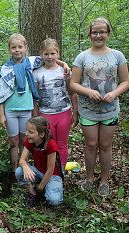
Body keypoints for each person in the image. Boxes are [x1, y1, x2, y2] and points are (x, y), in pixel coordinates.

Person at [0, 33, 69, 181]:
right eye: (14, 47)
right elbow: (0, 93)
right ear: (9, 49)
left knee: (25, 140)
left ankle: (26, 168)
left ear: (25, 48)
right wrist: (1, 114)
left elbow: (50, 59)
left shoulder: (31, 62)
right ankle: (14, 169)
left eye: (20, 47)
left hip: (26, 108)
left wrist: (64, 64)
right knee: (13, 141)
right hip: (10, 109)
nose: (17, 50)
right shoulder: (5, 69)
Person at [70, 18, 129, 196]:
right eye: (95, 32)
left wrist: (114, 93)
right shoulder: (82, 57)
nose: (98, 35)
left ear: (108, 34)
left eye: (102, 32)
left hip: (110, 110)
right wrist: (88, 92)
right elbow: (73, 83)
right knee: (90, 144)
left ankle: (104, 181)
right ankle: (89, 179)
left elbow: (125, 81)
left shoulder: (117, 56)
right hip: (88, 109)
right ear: (89, 34)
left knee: (105, 145)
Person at [33, 38, 78, 171]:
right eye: (46, 54)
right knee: (47, 144)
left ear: (58, 53)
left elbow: (73, 93)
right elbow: (35, 99)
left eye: (53, 53)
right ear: (41, 54)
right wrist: (36, 118)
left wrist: (75, 112)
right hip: (46, 114)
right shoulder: (37, 73)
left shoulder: (64, 71)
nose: (49, 57)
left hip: (64, 113)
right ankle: (48, 171)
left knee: (62, 144)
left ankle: (61, 171)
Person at [15, 116, 63, 208]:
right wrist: (25, 167)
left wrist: (40, 187)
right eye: (27, 130)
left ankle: (46, 189)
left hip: (52, 175)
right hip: (38, 171)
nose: (26, 134)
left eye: (31, 132)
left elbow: (50, 170)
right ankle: (32, 193)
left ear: (41, 134)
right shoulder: (30, 141)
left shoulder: (51, 145)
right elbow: (22, 160)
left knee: (54, 200)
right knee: (19, 172)